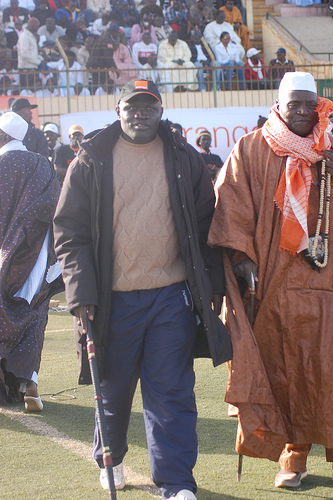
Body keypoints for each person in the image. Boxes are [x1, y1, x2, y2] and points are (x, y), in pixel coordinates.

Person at [53, 78, 232, 499]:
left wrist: (213, 284)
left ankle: (176, 482)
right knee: (112, 389)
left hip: (171, 296)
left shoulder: (185, 158)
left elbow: (207, 226)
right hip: (112, 299)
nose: (140, 113)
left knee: (171, 393)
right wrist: (80, 294)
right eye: (132, 107)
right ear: (118, 110)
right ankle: (110, 461)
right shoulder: (91, 160)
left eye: (148, 106)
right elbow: (69, 232)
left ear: (161, 110)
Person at [208, 71, 333, 489]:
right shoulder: (250, 149)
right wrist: (243, 261)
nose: (302, 111)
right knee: (284, 372)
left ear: (319, 104)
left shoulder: (330, 148)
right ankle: (292, 457)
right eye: (293, 103)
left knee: (327, 367)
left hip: (326, 283)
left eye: (308, 104)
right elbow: (231, 206)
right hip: (274, 286)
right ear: (278, 105)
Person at [0, 111, 62, 409]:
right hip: (36, 259)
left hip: (3, 256)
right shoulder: (43, 164)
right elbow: (56, 209)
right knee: (34, 315)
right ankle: (31, 385)